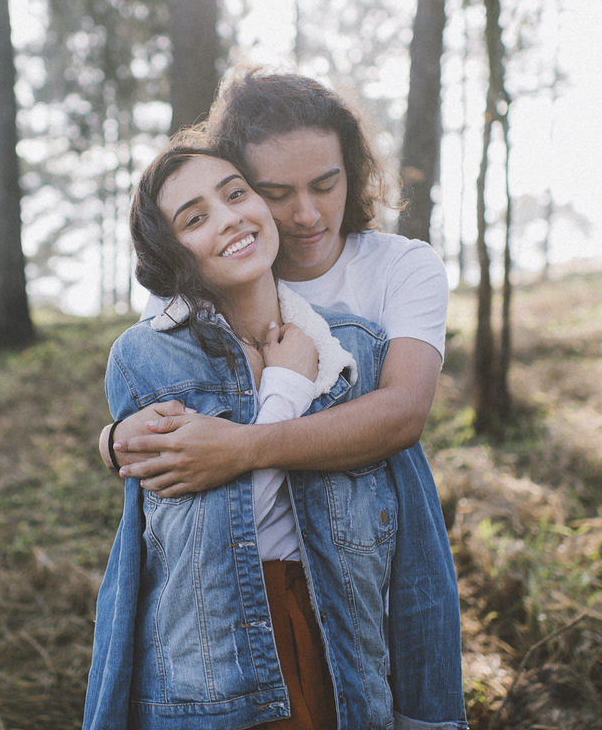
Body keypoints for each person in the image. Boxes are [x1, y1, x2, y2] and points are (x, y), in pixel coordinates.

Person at [99, 67, 468, 729]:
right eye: (277, 192)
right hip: (222, 611)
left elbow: (402, 412)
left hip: (355, 559)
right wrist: (113, 441)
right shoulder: (193, 284)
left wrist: (245, 441)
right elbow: (156, 421)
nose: (305, 214)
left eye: (325, 185)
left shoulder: (399, 268)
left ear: (352, 172)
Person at [84, 139, 400, 728]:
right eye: (195, 217)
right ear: (168, 249)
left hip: (343, 640)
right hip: (219, 653)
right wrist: (283, 388)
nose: (229, 218)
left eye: (236, 194)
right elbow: (217, 534)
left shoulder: (352, 348)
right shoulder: (149, 355)